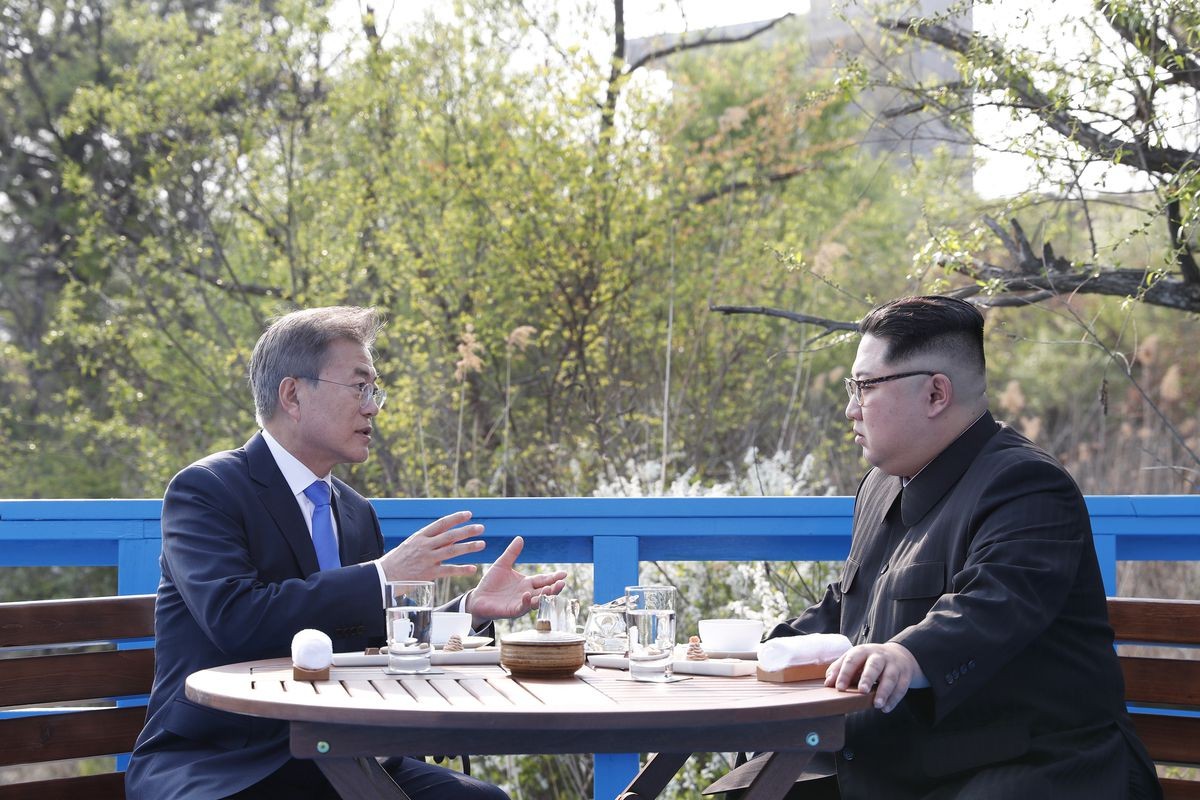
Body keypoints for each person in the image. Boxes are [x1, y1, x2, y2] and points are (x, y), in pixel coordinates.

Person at [718, 296, 1160, 799]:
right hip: (898, 766)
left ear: (935, 394)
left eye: (864, 387)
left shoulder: (1026, 483)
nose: (850, 409)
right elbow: (846, 610)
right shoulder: (882, 484)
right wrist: (745, 654)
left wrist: (906, 655)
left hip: (1029, 768)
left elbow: (993, 606)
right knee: (748, 790)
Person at [126, 306, 567, 800]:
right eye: (359, 387)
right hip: (226, 761)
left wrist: (468, 610)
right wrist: (381, 576)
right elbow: (236, 620)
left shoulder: (356, 512)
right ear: (292, 394)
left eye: (374, 390)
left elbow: (382, 640)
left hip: (342, 755)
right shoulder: (207, 490)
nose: (373, 407)